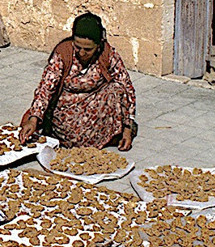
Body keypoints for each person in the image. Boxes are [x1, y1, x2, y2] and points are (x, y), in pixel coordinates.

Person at [19, 12, 136, 150]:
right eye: (78, 47)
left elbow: (126, 87)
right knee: (72, 134)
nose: (81, 53)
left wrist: (127, 131)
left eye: (88, 49)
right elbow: (46, 87)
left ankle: (107, 134)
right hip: (67, 112)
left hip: (97, 107)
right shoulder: (63, 53)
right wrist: (33, 120)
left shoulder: (107, 54)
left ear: (98, 45)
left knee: (117, 89)